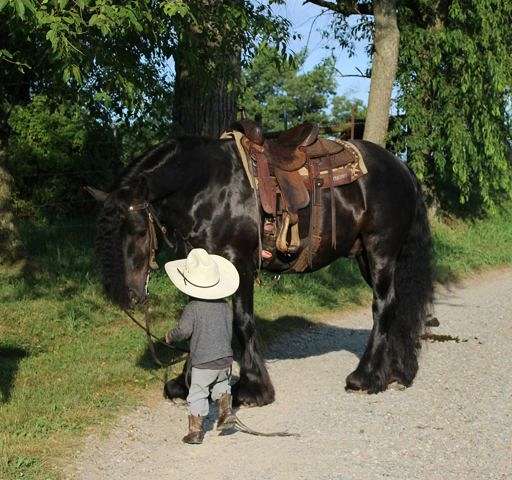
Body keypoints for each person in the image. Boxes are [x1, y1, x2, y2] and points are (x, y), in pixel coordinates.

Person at [164, 248, 240, 445]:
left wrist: (170, 336)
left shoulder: (193, 308)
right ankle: (225, 411)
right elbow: (227, 331)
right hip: (225, 360)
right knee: (222, 385)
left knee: (197, 393)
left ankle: (195, 432)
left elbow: (183, 331)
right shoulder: (225, 306)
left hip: (203, 364)